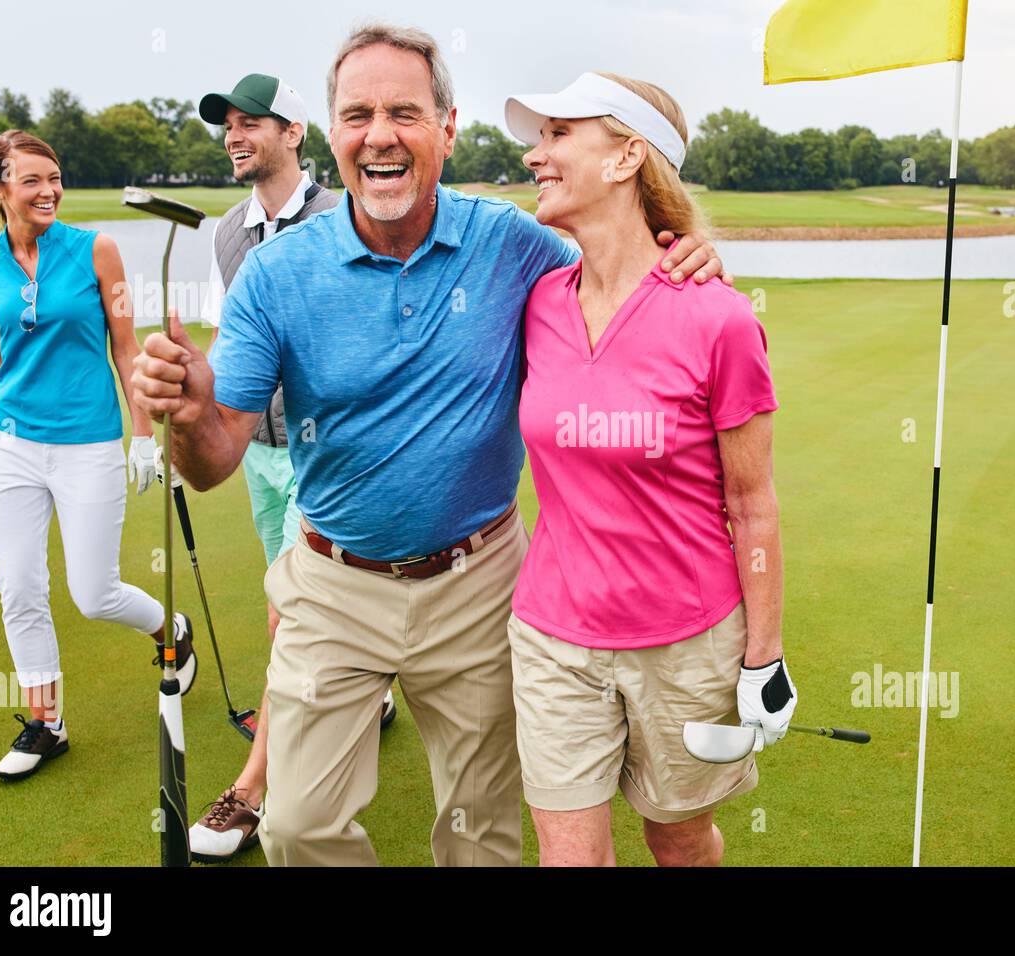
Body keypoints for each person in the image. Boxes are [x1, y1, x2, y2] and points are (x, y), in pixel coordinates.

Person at [131, 21, 726, 866]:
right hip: (333, 583)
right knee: (298, 826)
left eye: (405, 114)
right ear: (332, 135)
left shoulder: (511, 245)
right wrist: (188, 417)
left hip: (478, 579)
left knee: (480, 829)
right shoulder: (273, 273)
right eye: (358, 114)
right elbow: (218, 455)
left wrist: (686, 249)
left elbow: (618, 260)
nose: (380, 135)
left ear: (447, 130)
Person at [503, 72, 797, 866]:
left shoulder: (719, 317)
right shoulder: (537, 302)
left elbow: (753, 501)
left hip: (690, 641)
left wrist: (764, 656)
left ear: (629, 155)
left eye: (558, 134)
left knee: (680, 840)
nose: (536, 155)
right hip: (553, 635)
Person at [184, 72, 395, 864]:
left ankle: (253, 786)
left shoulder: (344, 217)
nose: (235, 137)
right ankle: (365, 692)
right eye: (228, 126)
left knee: (292, 616)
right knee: (301, 608)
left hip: (327, 455)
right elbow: (232, 346)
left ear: (294, 133)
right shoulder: (228, 233)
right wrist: (188, 413)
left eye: (251, 123)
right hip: (260, 457)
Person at [0, 130, 195, 783]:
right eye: (31, 180)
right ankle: (47, 724)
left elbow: (126, 349)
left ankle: (168, 629)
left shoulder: (98, 249)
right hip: (10, 441)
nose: (49, 190)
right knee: (19, 588)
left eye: (54, 178)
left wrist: (143, 434)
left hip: (87, 442)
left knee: (93, 593)